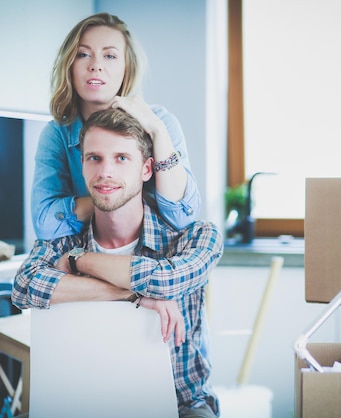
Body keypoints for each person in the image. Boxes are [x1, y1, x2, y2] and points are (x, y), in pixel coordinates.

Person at [13, 108, 223, 417]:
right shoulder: (61, 239)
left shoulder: (195, 237)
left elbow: (164, 281)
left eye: (121, 158)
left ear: (147, 169)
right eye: (94, 158)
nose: (105, 172)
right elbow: (23, 287)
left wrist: (78, 262)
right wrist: (131, 295)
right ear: (82, 166)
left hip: (182, 406)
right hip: (82, 401)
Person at [32, 12, 201, 240]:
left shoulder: (161, 122)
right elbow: (46, 224)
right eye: (83, 54)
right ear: (70, 66)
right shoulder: (56, 134)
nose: (96, 66)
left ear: (126, 68)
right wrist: (116, 195)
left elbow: (182, 216)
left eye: (109, 56)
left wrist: (157, 132)